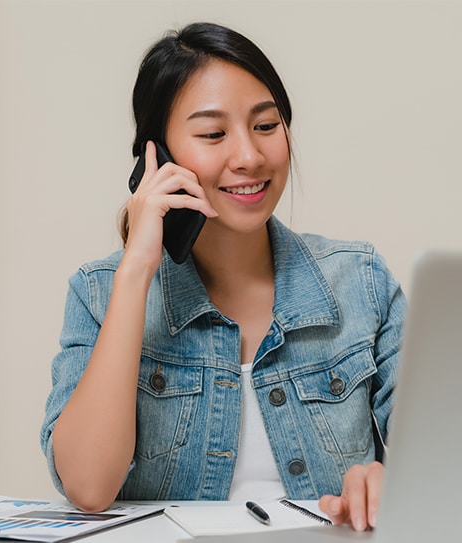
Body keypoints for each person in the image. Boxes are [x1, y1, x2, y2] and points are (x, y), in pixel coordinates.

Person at [40, 22, 406, 532]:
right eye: (213, 134)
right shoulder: (100, 292)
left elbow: (451, 459)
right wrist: (138, 269)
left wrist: (398, 482)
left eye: (266, 125)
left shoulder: (360, 280)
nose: (250, 157)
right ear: (157, 158)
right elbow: (88, 486)